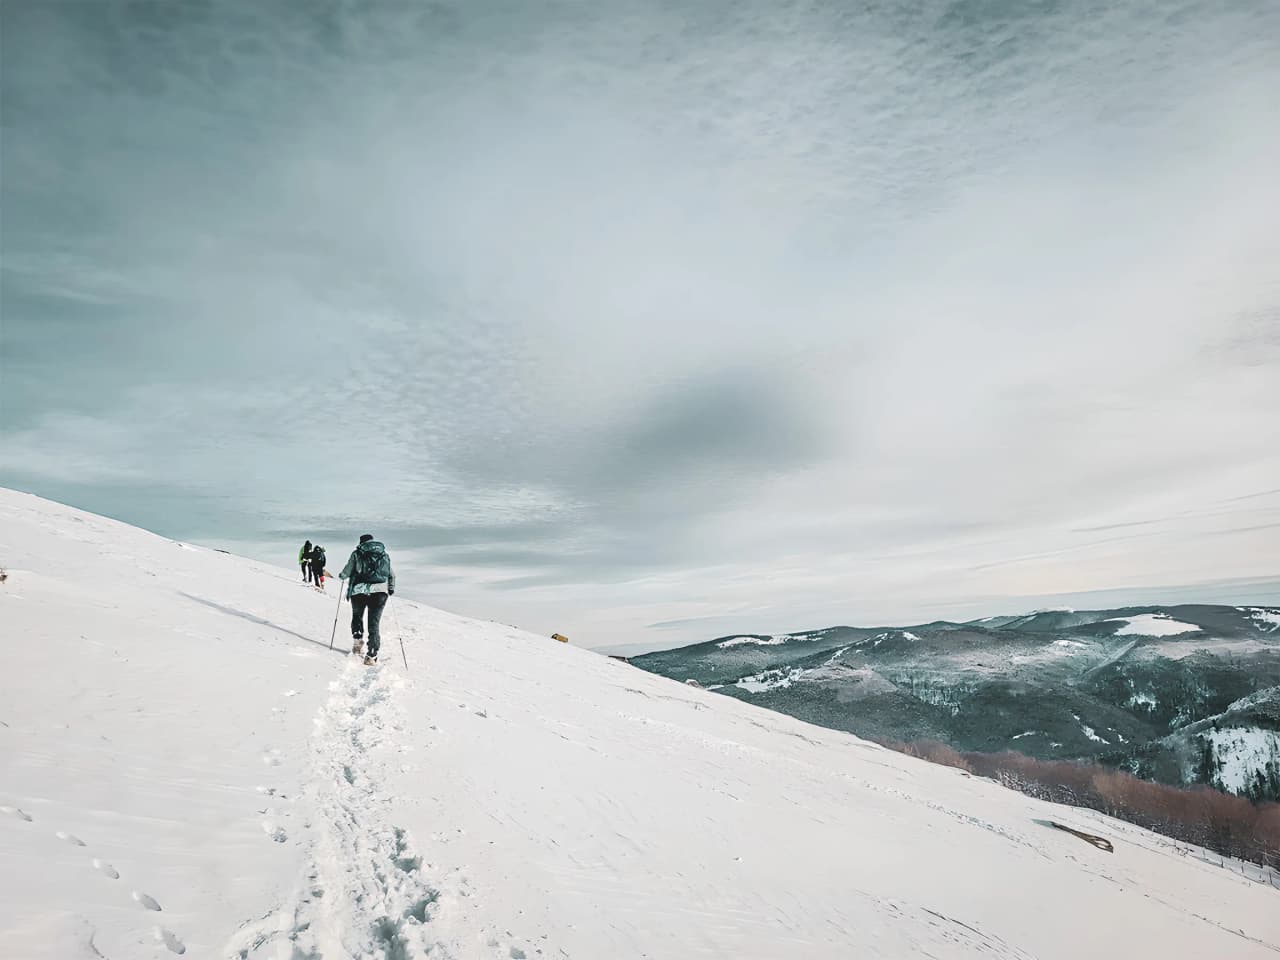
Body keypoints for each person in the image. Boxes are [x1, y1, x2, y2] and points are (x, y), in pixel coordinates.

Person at [339, 534, 395, 664]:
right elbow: (392, 575)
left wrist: (342, 575)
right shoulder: (383, 554)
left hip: (359, 592)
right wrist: (390, 588)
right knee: (374, 624)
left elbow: (347, 571)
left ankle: (358, 641)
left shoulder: (357, 553)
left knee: (357, 616)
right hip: (379, 593)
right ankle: (372, 655)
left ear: (361, 542)